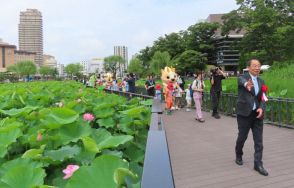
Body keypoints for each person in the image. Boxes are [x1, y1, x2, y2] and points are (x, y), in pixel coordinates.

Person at [235, 59, 268, 176]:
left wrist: (261, 108)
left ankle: (258, 164)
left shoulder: (261, 81)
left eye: (258, 66)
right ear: (248, 67)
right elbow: (242, 81)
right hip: (244, 114)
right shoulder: (242, 77)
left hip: (257, 114)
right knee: (242, 137)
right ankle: (238, 154)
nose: (257, 68)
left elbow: (264, 97)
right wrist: (246, 84)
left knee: (259, 141)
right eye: (254, 66)